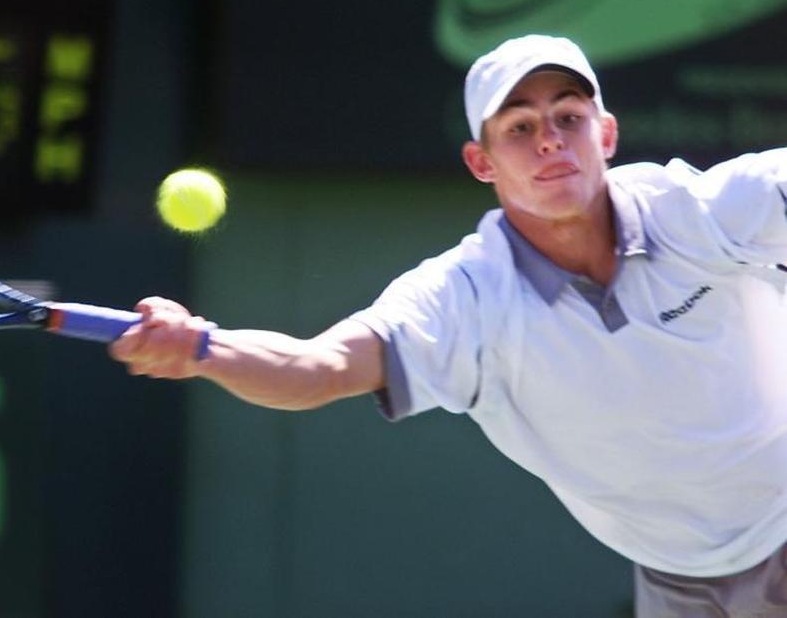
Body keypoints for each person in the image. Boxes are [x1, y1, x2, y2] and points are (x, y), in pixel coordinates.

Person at [110, 34, 787, 616]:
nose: (550, 138)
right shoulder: (464, 298)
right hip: (672, 573)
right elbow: (318, 369)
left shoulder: (692, 211)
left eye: (569, 117)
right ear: (481, 163)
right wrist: (202, 347)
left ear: (605, 133)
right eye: (519, 127)